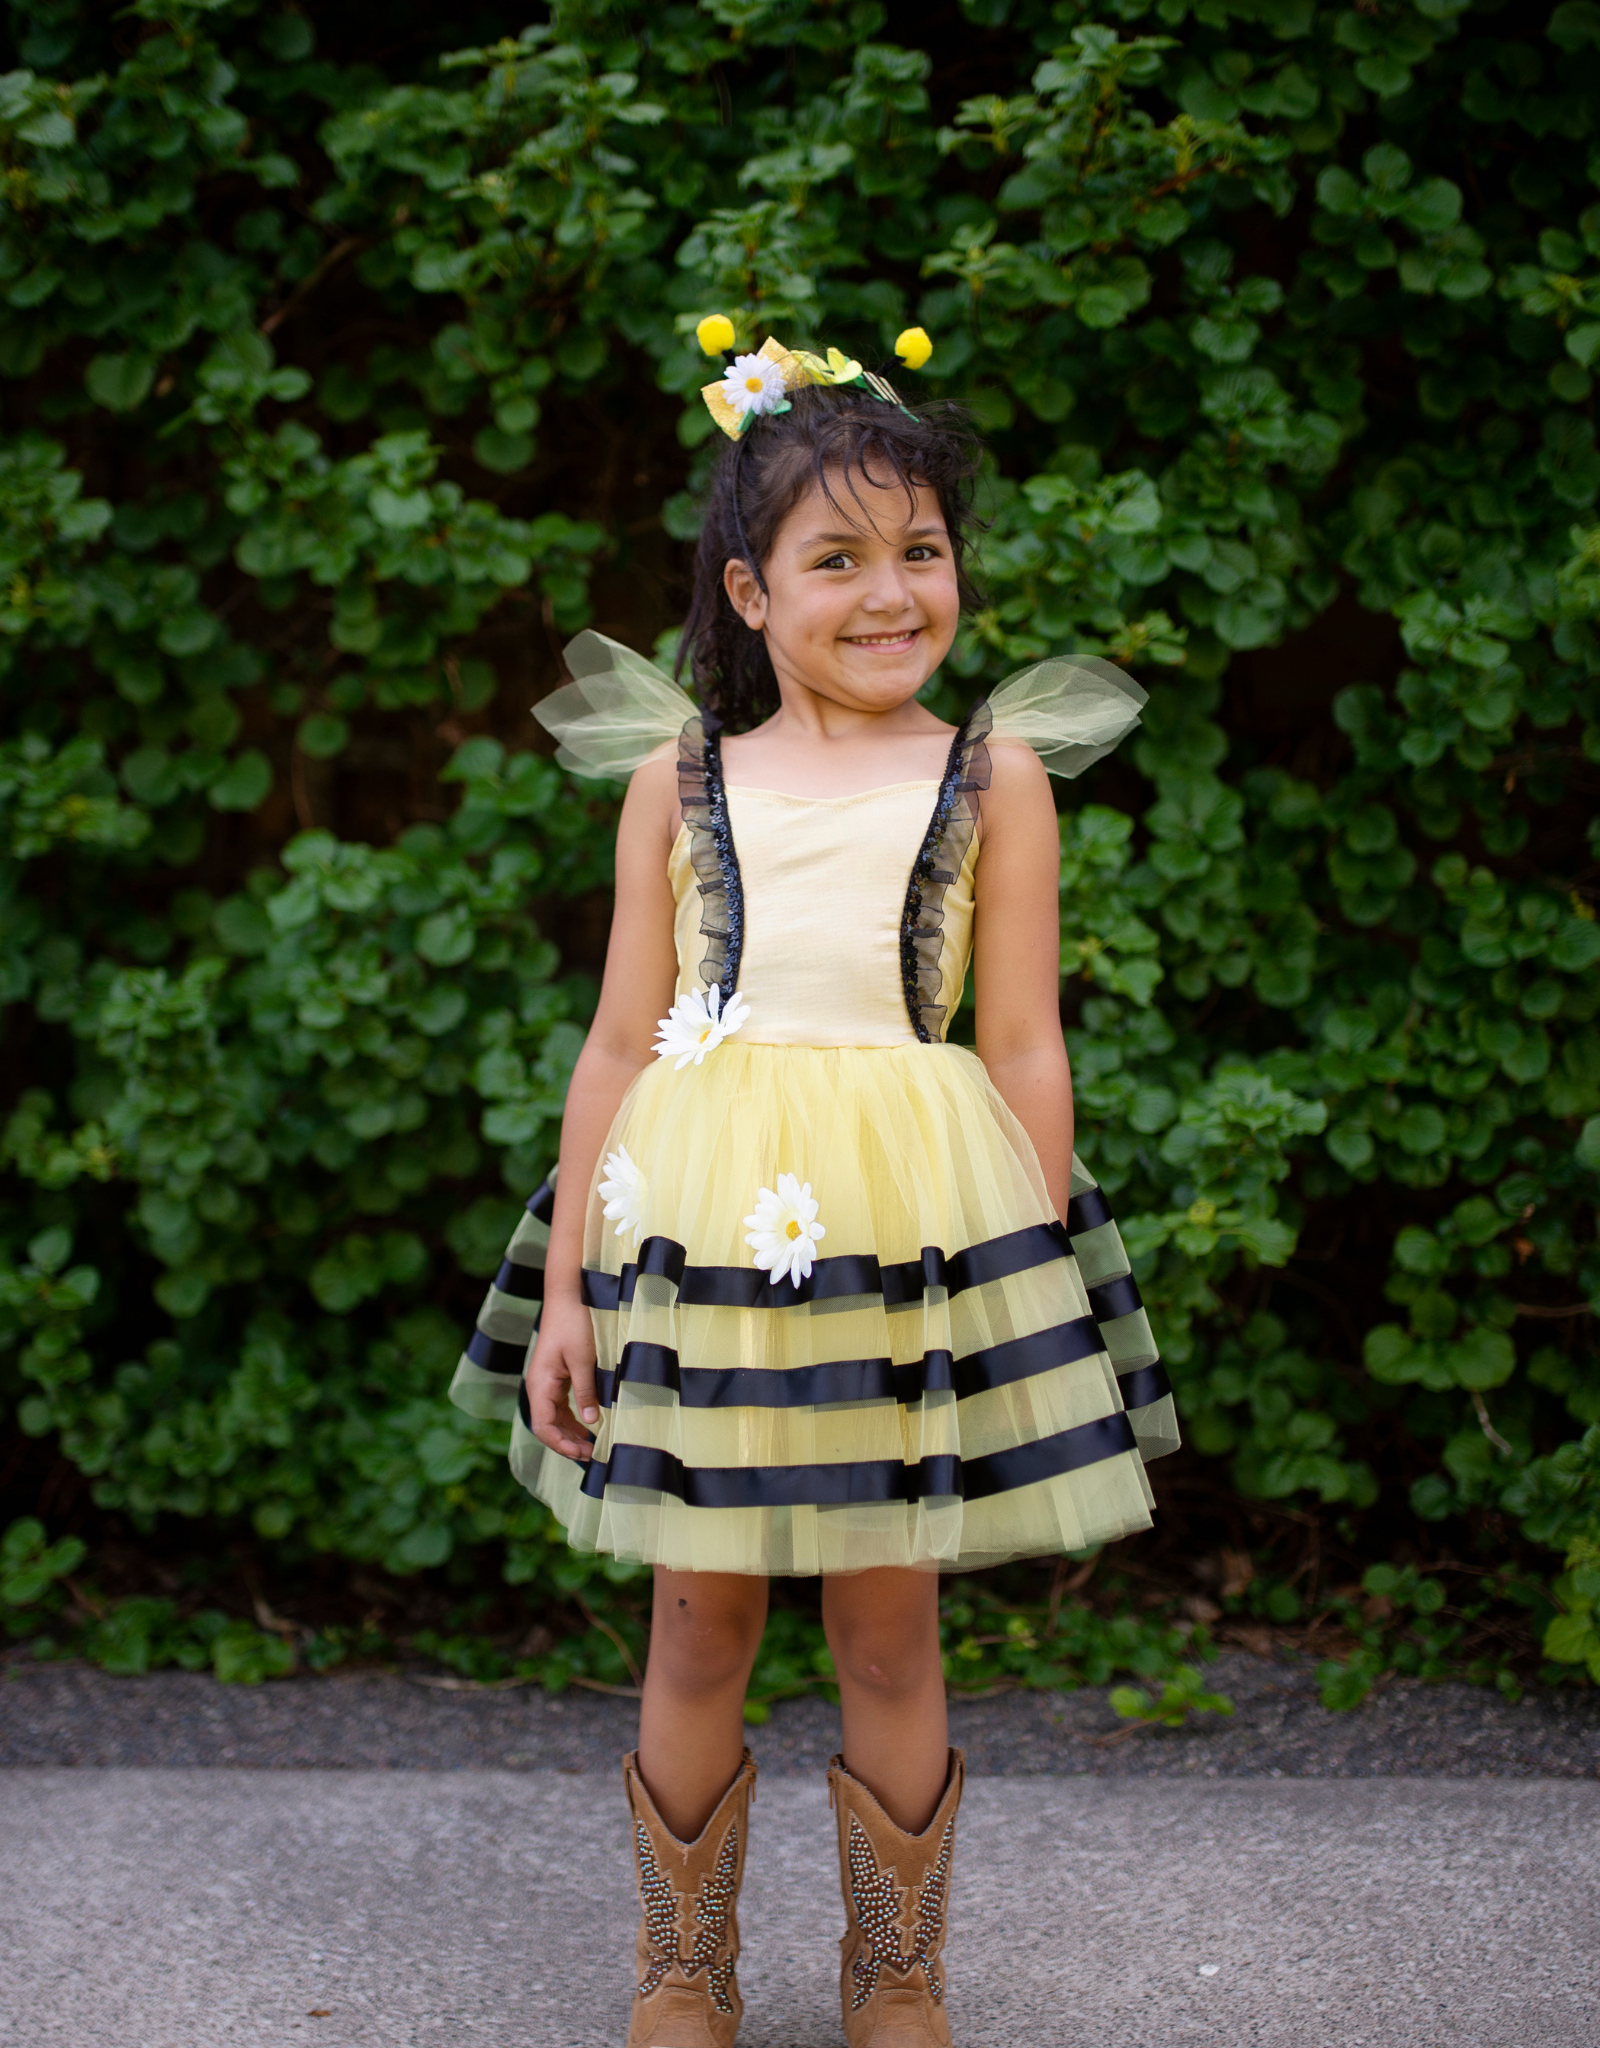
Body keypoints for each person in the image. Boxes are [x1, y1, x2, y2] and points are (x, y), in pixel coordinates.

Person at [449, 327, 1178, 2048]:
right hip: (698, 1234)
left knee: (888, 1626)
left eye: (919, 550)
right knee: (696, 1623)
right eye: (835, 558)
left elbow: (1022, 1047)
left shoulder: (989, 778)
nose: (888, 591)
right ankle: (683, 1972)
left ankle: (895, 1977)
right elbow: (620, 1045)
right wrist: (565, 1288)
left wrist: (1027, 1276)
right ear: (749, 592)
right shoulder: (676, 781)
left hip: (906, 1237)